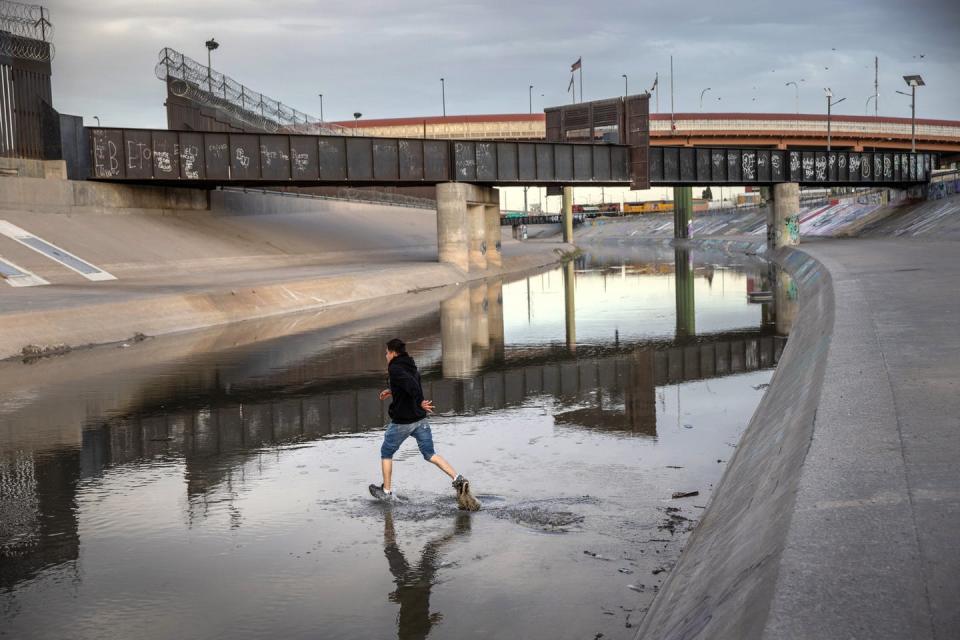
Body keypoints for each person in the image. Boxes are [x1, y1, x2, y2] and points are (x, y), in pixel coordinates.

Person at [370, 338, 474, 506]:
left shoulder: (395, 367)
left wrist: (419, 401)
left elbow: (411, 385)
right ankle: (458, 479)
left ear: (393, 353)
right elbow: (410, 383)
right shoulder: (410, 364)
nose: (386, 356)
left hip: (403, 421)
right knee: (430, 454)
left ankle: (386, 492)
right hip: (420, 419)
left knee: (386, 452)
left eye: (386, 353)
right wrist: (392, 391)